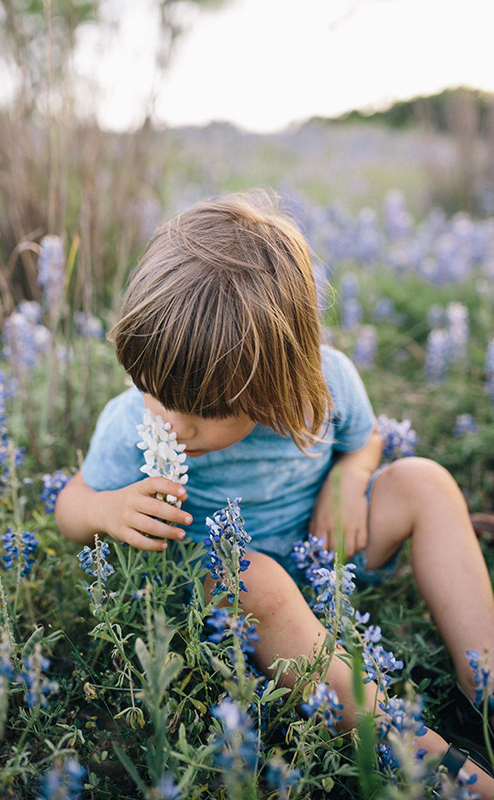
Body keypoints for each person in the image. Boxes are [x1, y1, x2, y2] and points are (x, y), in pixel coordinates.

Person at [56, 193, 494, 796]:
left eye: (205, 410)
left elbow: (364, 442)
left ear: (277, 380)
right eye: (155, 390)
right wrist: (106, 509)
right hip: (231, 592)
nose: (175, 425)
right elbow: (69, 506)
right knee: (254, 580)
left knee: (424, 480)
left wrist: (349, 478)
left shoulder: (326, 383)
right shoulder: (132, 418)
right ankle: (426, 757)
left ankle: (486, 686)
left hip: (328, 554)